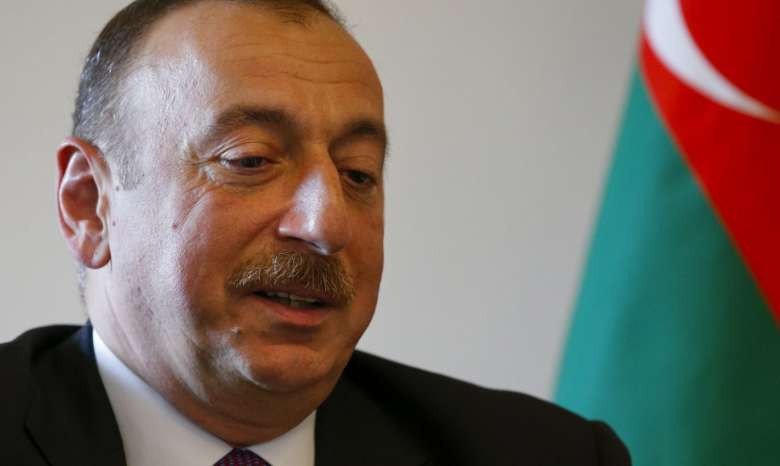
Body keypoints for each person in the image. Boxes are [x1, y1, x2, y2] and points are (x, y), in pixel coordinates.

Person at [0, 1, 631, 465]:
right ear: (89, 205)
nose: (327, 224)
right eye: (249, 160)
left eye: (357, 174)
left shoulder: (549, 455)